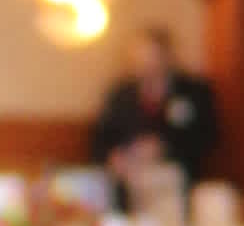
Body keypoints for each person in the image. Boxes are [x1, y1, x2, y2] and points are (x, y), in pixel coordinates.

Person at [87, 24, 223, 197]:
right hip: (127, 187)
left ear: (167, 57)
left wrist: (163, 147)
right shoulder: (120, 94)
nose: (145, 65)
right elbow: (100, 139)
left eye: (151, 57)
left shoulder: (194, 92)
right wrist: (113, 156)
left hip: (179, 186)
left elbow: (207, 137)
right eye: (139, 59)